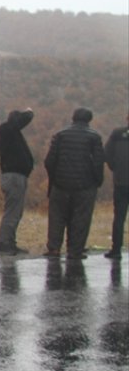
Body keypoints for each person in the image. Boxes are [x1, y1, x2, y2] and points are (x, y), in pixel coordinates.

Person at [43, 107, 104, 260]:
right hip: (85, 186)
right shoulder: (94, 137)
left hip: (60, 185)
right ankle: (75, 250)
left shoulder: (60, 135)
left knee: (57, 217)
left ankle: (54, 248)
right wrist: (97, 181)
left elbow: (49, 161)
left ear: (73, 118)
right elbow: (98, 163)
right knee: (81, 218)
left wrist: (54, 178)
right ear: (89, 119)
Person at [0, 108, 35, 255]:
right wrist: (29, 112)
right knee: (12, 212)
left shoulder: (12, 132)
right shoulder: (6, 129)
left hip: (17, 177)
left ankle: (9, 242)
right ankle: (3, 243)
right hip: (14, 177)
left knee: (15, 212)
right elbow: (22, 120)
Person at [105, 112, 129, 259]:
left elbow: (107, 153)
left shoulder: (118, 133)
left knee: (119, 217)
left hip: (121, 181)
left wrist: (115, 168)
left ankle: (116, 249)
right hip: (121, 180)